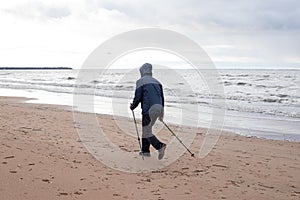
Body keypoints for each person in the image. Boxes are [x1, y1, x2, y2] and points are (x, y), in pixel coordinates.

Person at [130, 63, 166, 160]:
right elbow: (162, 98)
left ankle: (160, 146)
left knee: (146, 131)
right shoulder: (158, 82)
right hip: (158, 108)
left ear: (142, 71)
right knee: (147, 130)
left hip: (148, 110)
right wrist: (161, 114)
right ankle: (145, 151)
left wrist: (132, 106)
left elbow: (138, 97)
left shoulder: (140, 81)